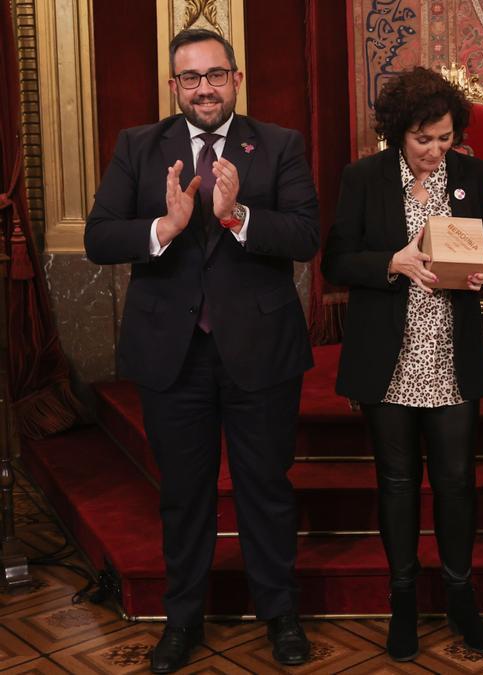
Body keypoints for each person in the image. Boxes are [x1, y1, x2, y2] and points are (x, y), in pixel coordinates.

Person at [83, 28, 318, 673]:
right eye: (191, 77)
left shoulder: (278, 144)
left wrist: (240, 215)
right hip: (171, 353)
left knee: (265, 488)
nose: (205, 87)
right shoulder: (139, 146)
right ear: (174, 86)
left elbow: (305, 235)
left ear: (236, 79)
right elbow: (100, 238)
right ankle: (182, 620)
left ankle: (280, 615)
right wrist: (165, 227)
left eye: (216, 74)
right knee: (183, 494)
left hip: (260, 351)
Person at [321, 66, 483, 662]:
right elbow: (336, 260)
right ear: (398, 133)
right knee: (397, 482)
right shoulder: (364, 178)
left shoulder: (472, 175)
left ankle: (459, 595)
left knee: (456, 481)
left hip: (449, 353)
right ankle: (403, 598)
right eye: (423, 139)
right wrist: (392, 263)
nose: (434, 151)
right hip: (392, 356)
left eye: (444, 138)